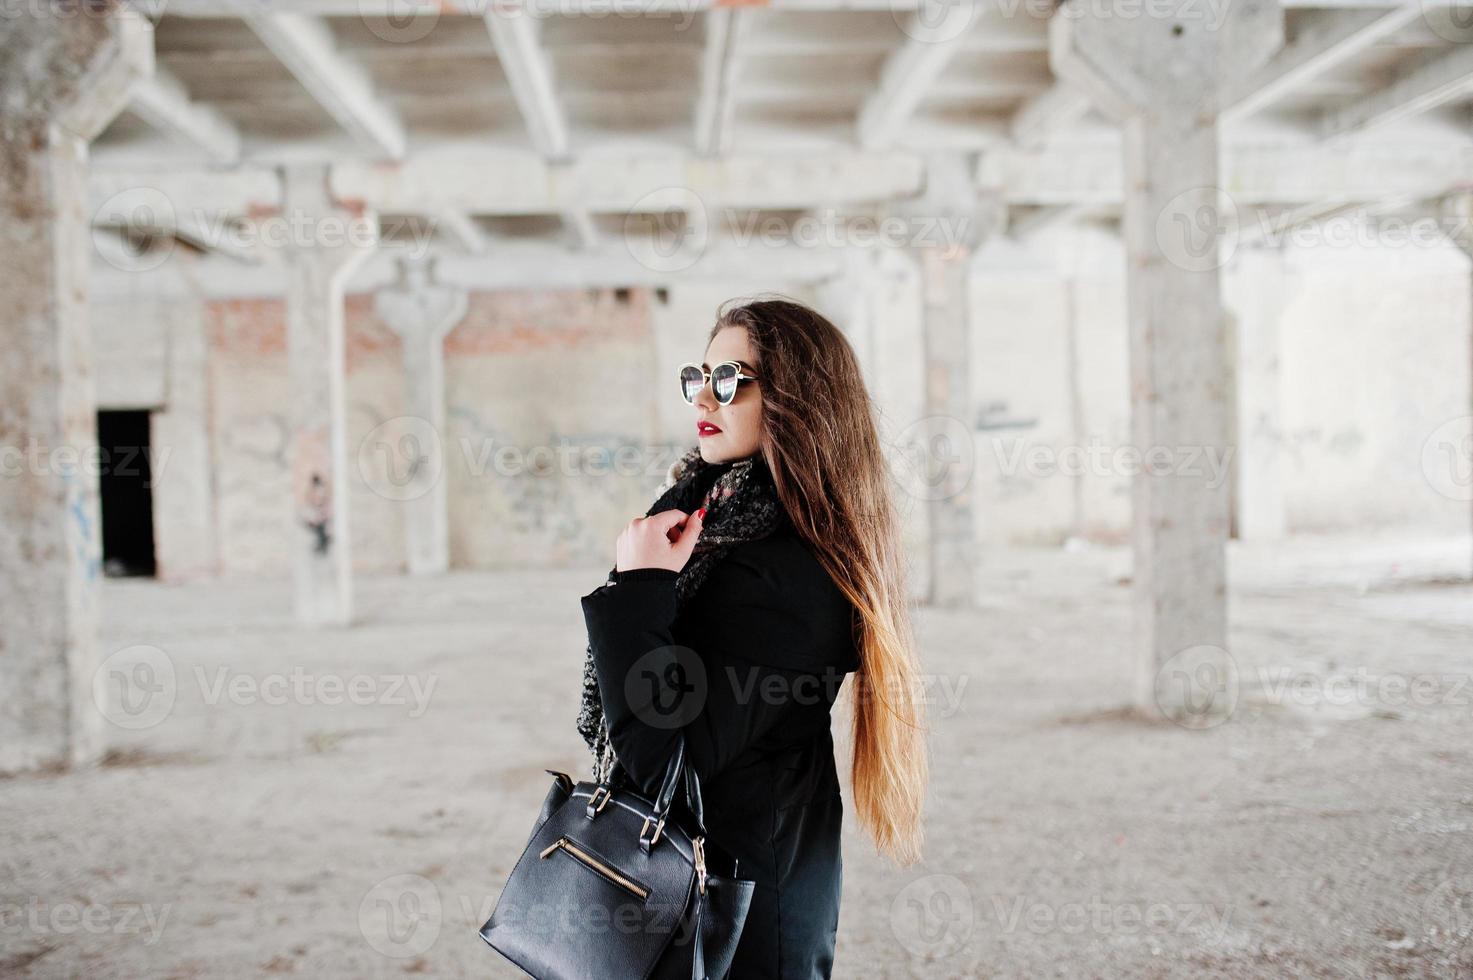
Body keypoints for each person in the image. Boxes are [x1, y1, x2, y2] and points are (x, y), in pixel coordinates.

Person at [577, 297, 929, 979]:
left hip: (738, 914)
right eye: (698, 376)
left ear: (797, 401)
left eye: (730, 379)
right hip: (686, 890)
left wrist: (638, 589)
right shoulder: (711, 520)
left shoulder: (795, 574)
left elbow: (666, 765)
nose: (703, 397)